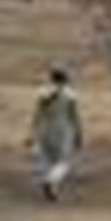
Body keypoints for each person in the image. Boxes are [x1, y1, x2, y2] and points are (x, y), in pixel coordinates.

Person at [26, 65, 84, 202]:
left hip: (45, 130)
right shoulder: (70, 94)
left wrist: (32, 133)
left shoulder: (43, 93)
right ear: (65, 79)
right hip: (63, 131)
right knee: (63, 162)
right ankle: (51, 181)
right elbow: (74, 116)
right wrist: (79, 133)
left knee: (46, 160)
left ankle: (51, 187)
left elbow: (37, 115)